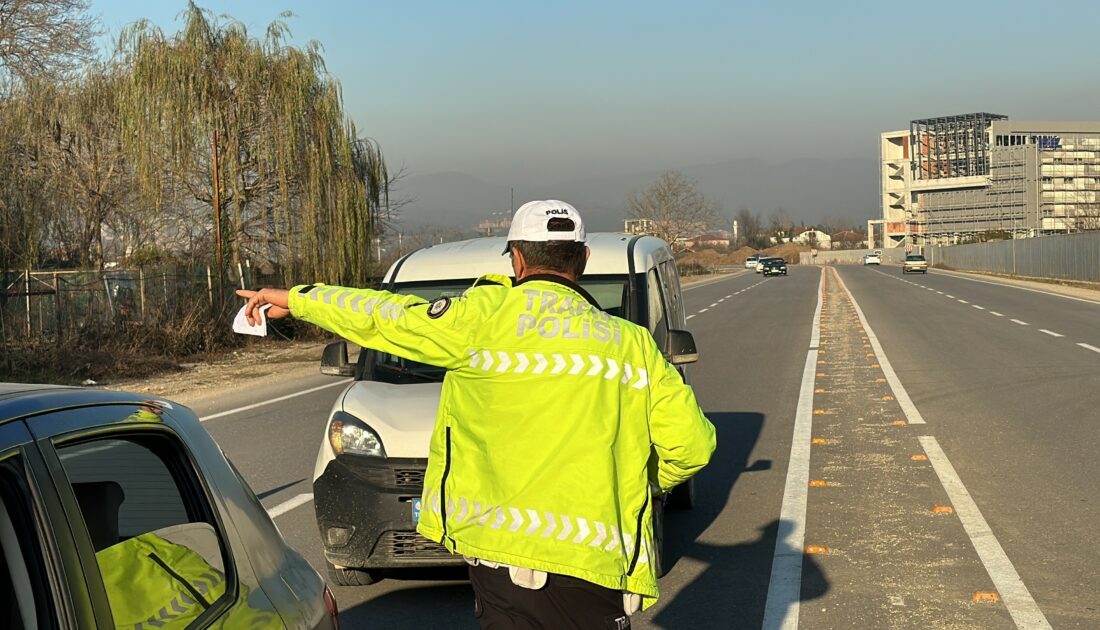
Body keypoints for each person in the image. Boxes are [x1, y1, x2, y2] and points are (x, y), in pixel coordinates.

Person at [237, 200, 716, 629]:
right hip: (596, 568)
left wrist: (297, 299)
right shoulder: (631, 345)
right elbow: (691, 446)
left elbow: (385, 316)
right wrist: (638, 481)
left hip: (501, 564)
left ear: (517, 259)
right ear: (584, 259)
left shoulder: (479, 321)